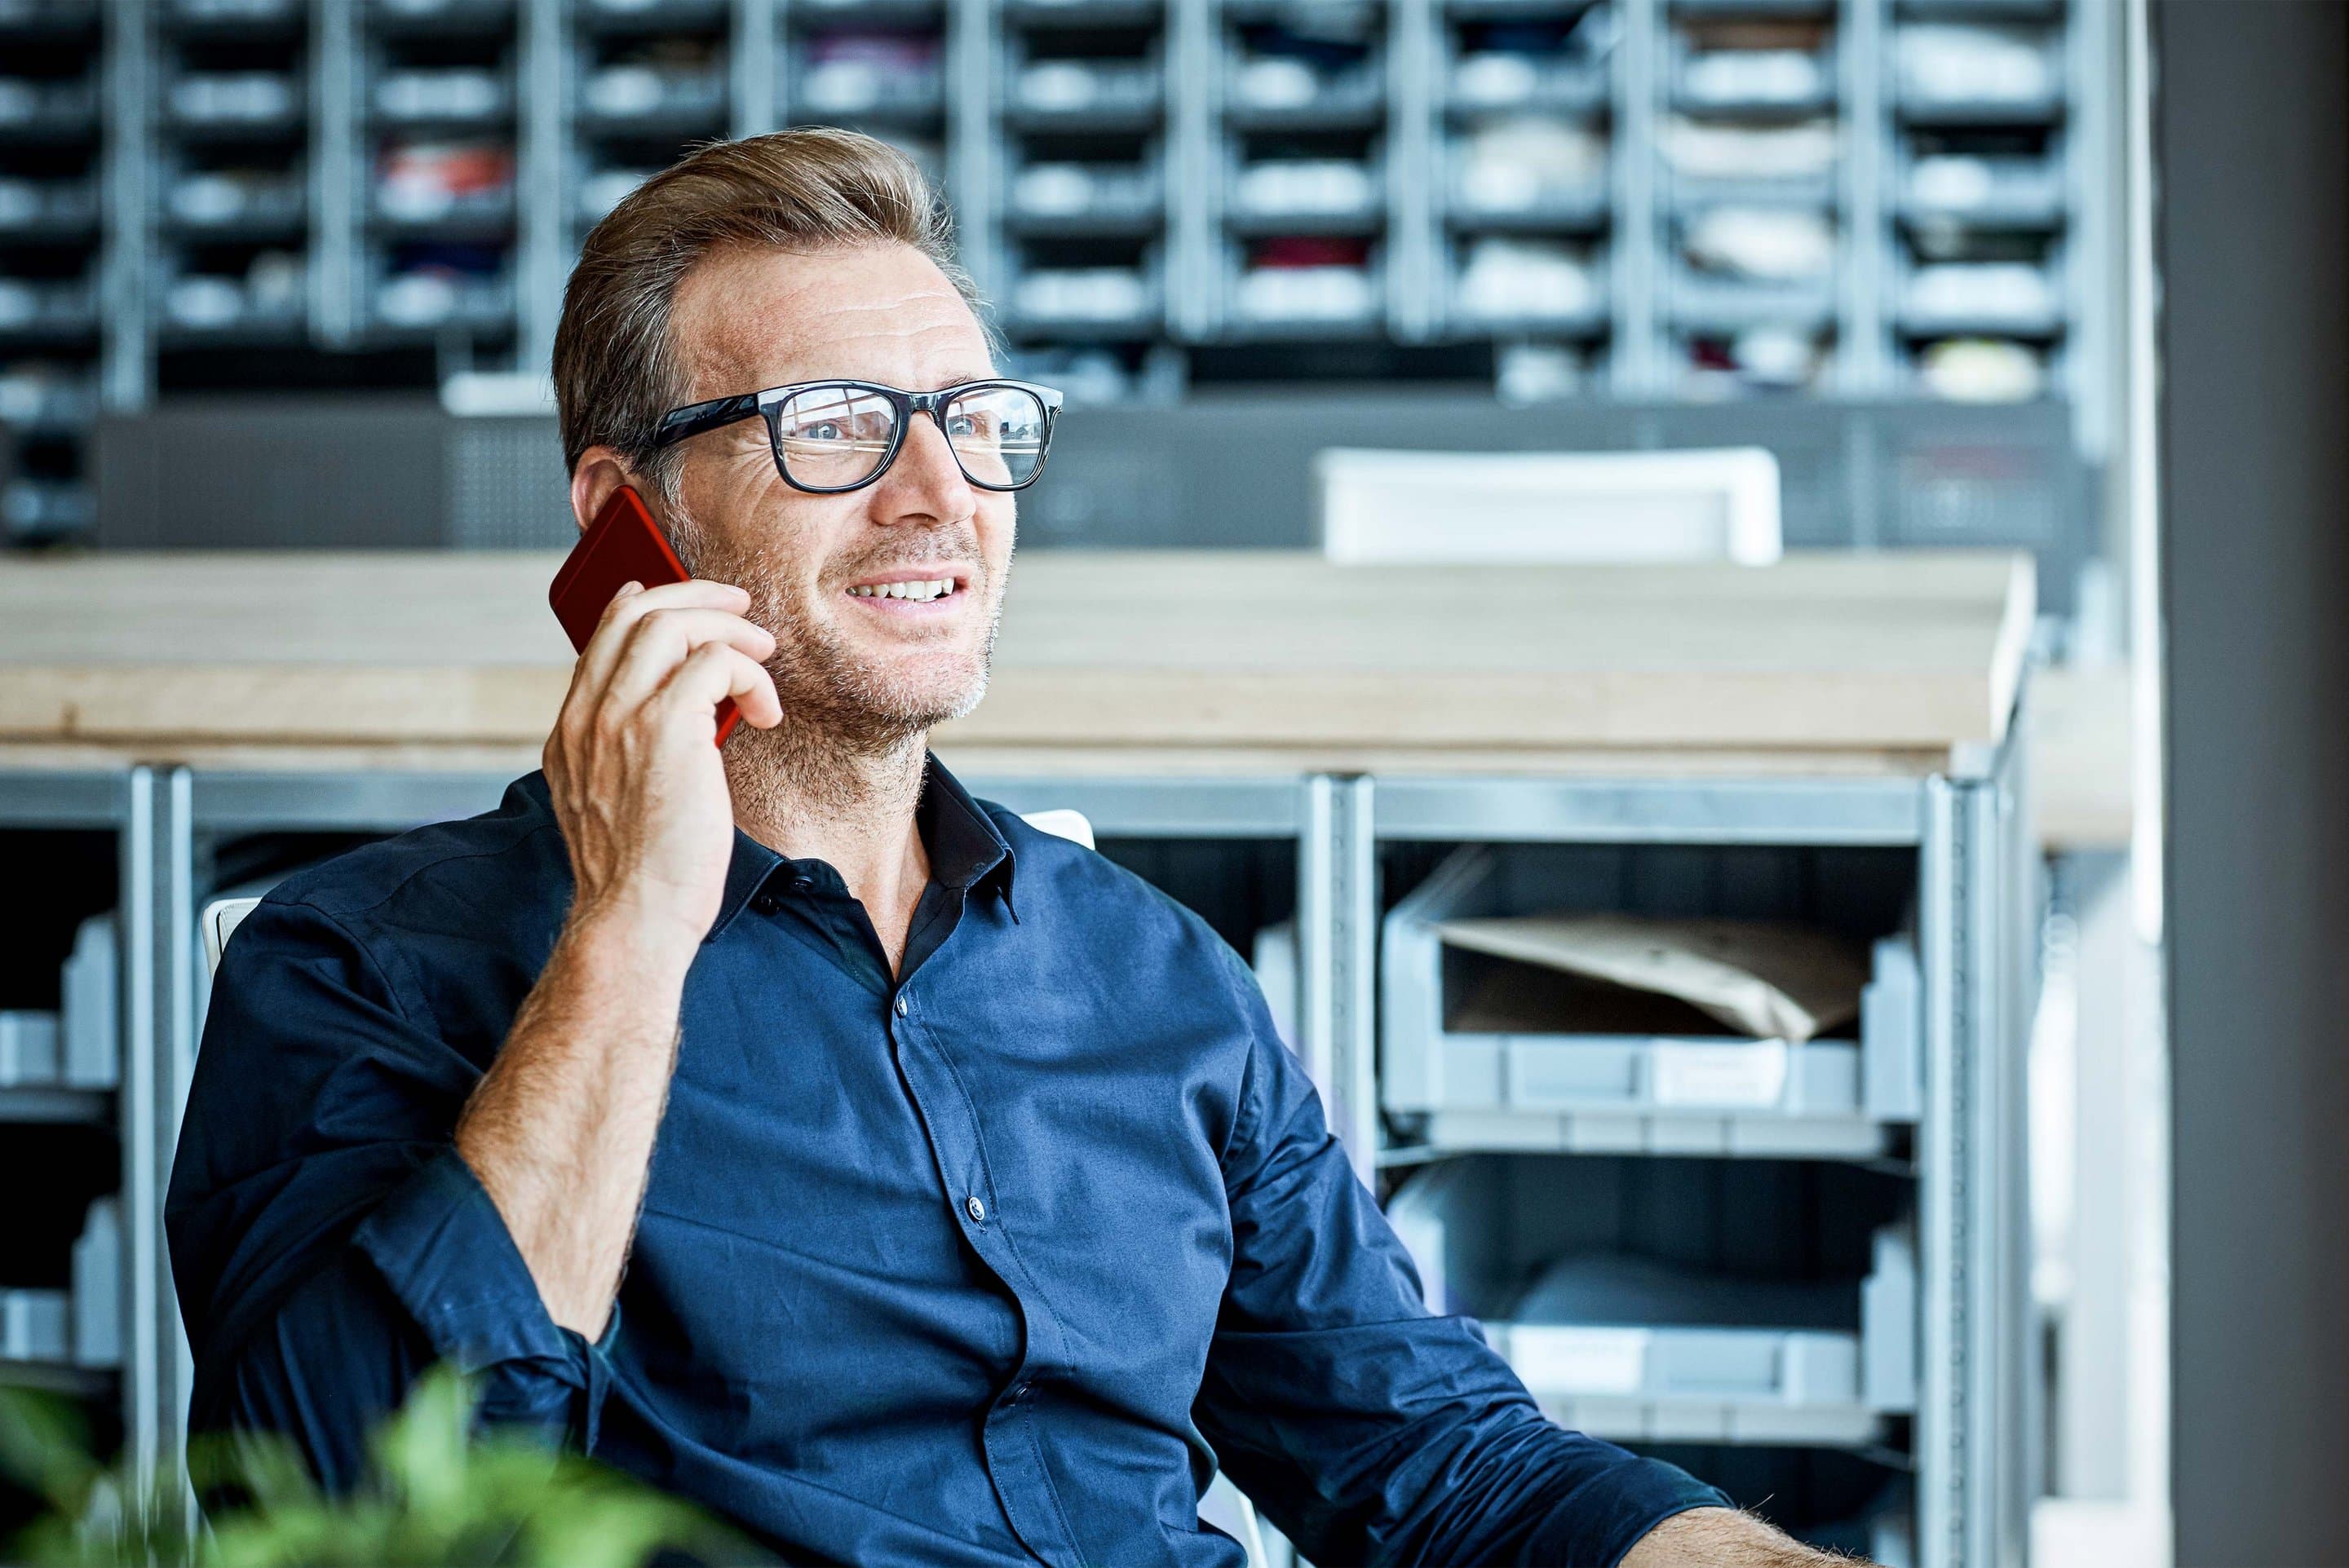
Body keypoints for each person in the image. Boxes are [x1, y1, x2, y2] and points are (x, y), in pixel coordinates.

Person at [168, 129, 1862, 1568]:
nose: (935, 493)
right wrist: (632, 924)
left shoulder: (1154, 975)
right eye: (833, 423)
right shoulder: (367, 965)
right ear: (628, 512)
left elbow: (1446, 1468)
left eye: (973, 419)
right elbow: (353, 1500)